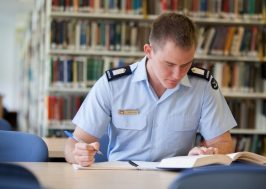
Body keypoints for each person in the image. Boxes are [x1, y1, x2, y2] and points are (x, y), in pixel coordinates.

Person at [65, 12, 237, 167]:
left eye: (186, 64)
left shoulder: (204, 85)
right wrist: (78, 154)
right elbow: (74, 143)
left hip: (175, 180)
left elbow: (224, 143)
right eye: (169, 64)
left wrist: (208, 153)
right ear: (149, 51)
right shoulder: (113, 84)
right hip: (122, 180)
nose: (177, 74)